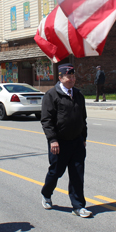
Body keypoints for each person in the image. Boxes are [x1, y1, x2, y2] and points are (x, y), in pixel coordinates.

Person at [40, 64, 92, 218]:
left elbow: (83, 118)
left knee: (77, 174)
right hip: (59, 143)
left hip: (77, 142)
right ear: (60, 78)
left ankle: (78, 206)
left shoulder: (78, 95)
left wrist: (83, 138)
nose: (72, 79)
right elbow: (46, 120)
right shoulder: (51, 95)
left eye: (73, 77)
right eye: (69, 77)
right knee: (56, 172)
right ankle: (46, 194)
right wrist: (52, 140)